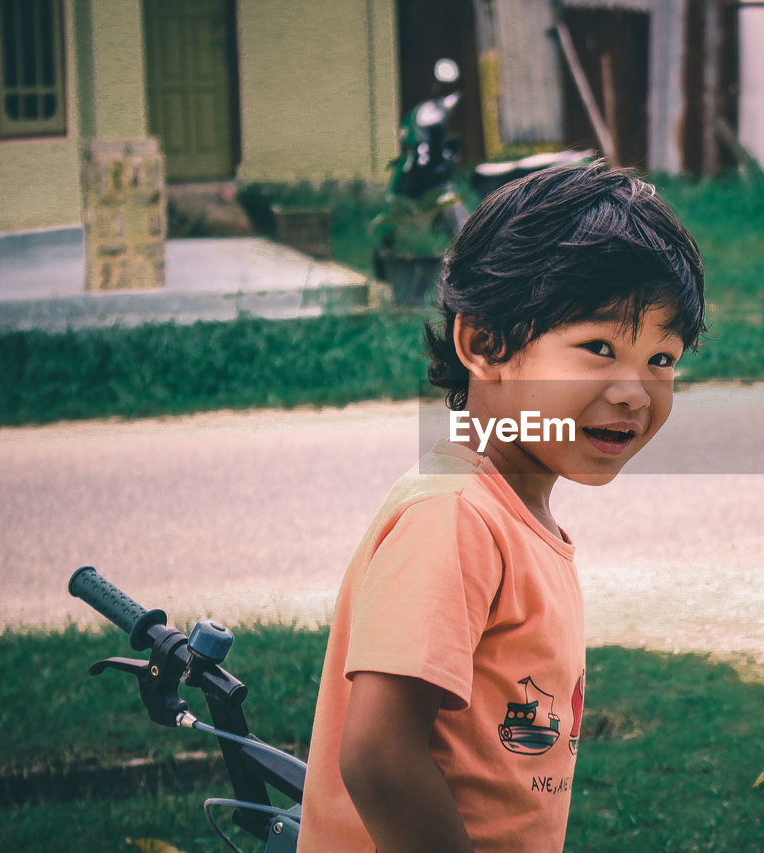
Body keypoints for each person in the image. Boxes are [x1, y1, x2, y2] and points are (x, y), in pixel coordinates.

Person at [298, 161, 706, 852]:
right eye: (599, 348)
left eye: (661, 360)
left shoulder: (513, 517)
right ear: (483, 342)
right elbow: (377, 754)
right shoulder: (455, 516)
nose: (635, 392)